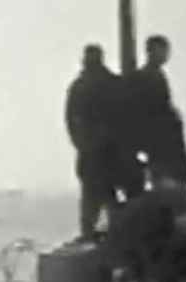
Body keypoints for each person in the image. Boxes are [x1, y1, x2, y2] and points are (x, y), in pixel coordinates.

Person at [65, 44, 120, 241]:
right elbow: (71, 121)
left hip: (97, 153)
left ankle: (93, 233)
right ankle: (114, 232)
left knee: (95, 198)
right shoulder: (112, 84)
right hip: (105, 152)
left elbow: (71, 121)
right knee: (106, 197)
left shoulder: (80, 87)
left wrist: (82, 143)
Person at [128, 35, 186, 190]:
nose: (166, 54)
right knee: (167, 184)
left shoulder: (155, 76)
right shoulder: (146, 77)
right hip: (160, 143)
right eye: (163, 50)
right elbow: (150, 109)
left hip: (163, 142)